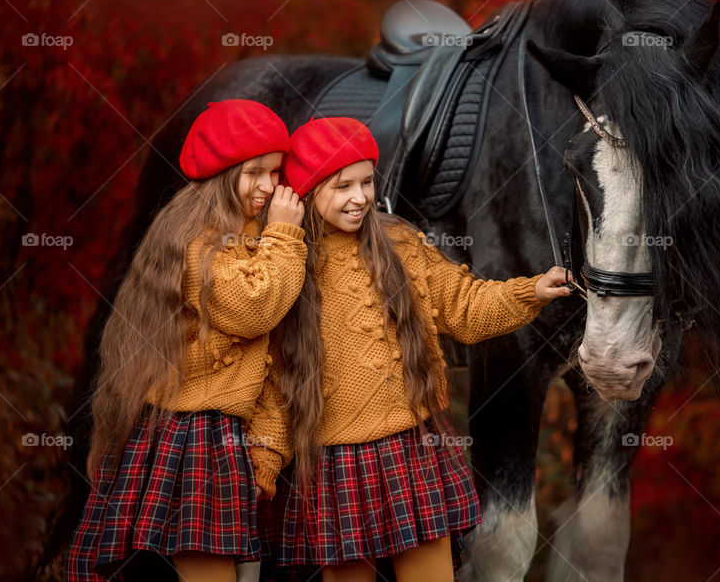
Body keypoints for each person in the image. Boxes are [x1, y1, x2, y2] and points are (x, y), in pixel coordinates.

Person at [248, 117, 570, 582]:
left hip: (411, 447)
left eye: (367, 181)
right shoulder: (290, 265)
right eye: (342, 186)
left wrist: (530, 291)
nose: (360, 197)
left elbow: (464, 305)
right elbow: (278, 380)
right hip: (335, 461)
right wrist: (263, 460)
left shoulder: (399, 242)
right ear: (304, 192)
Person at [65, 99, 306, 582]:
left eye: (274, 172)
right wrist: (283, 235)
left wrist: (266, 456)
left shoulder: (260, 239)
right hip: (196, 432)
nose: (267, 186)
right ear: (221, 176)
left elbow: (273, 365)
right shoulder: (201, 241)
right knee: (208, 569)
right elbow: (252, 308)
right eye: (253, 173)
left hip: (236, 435)